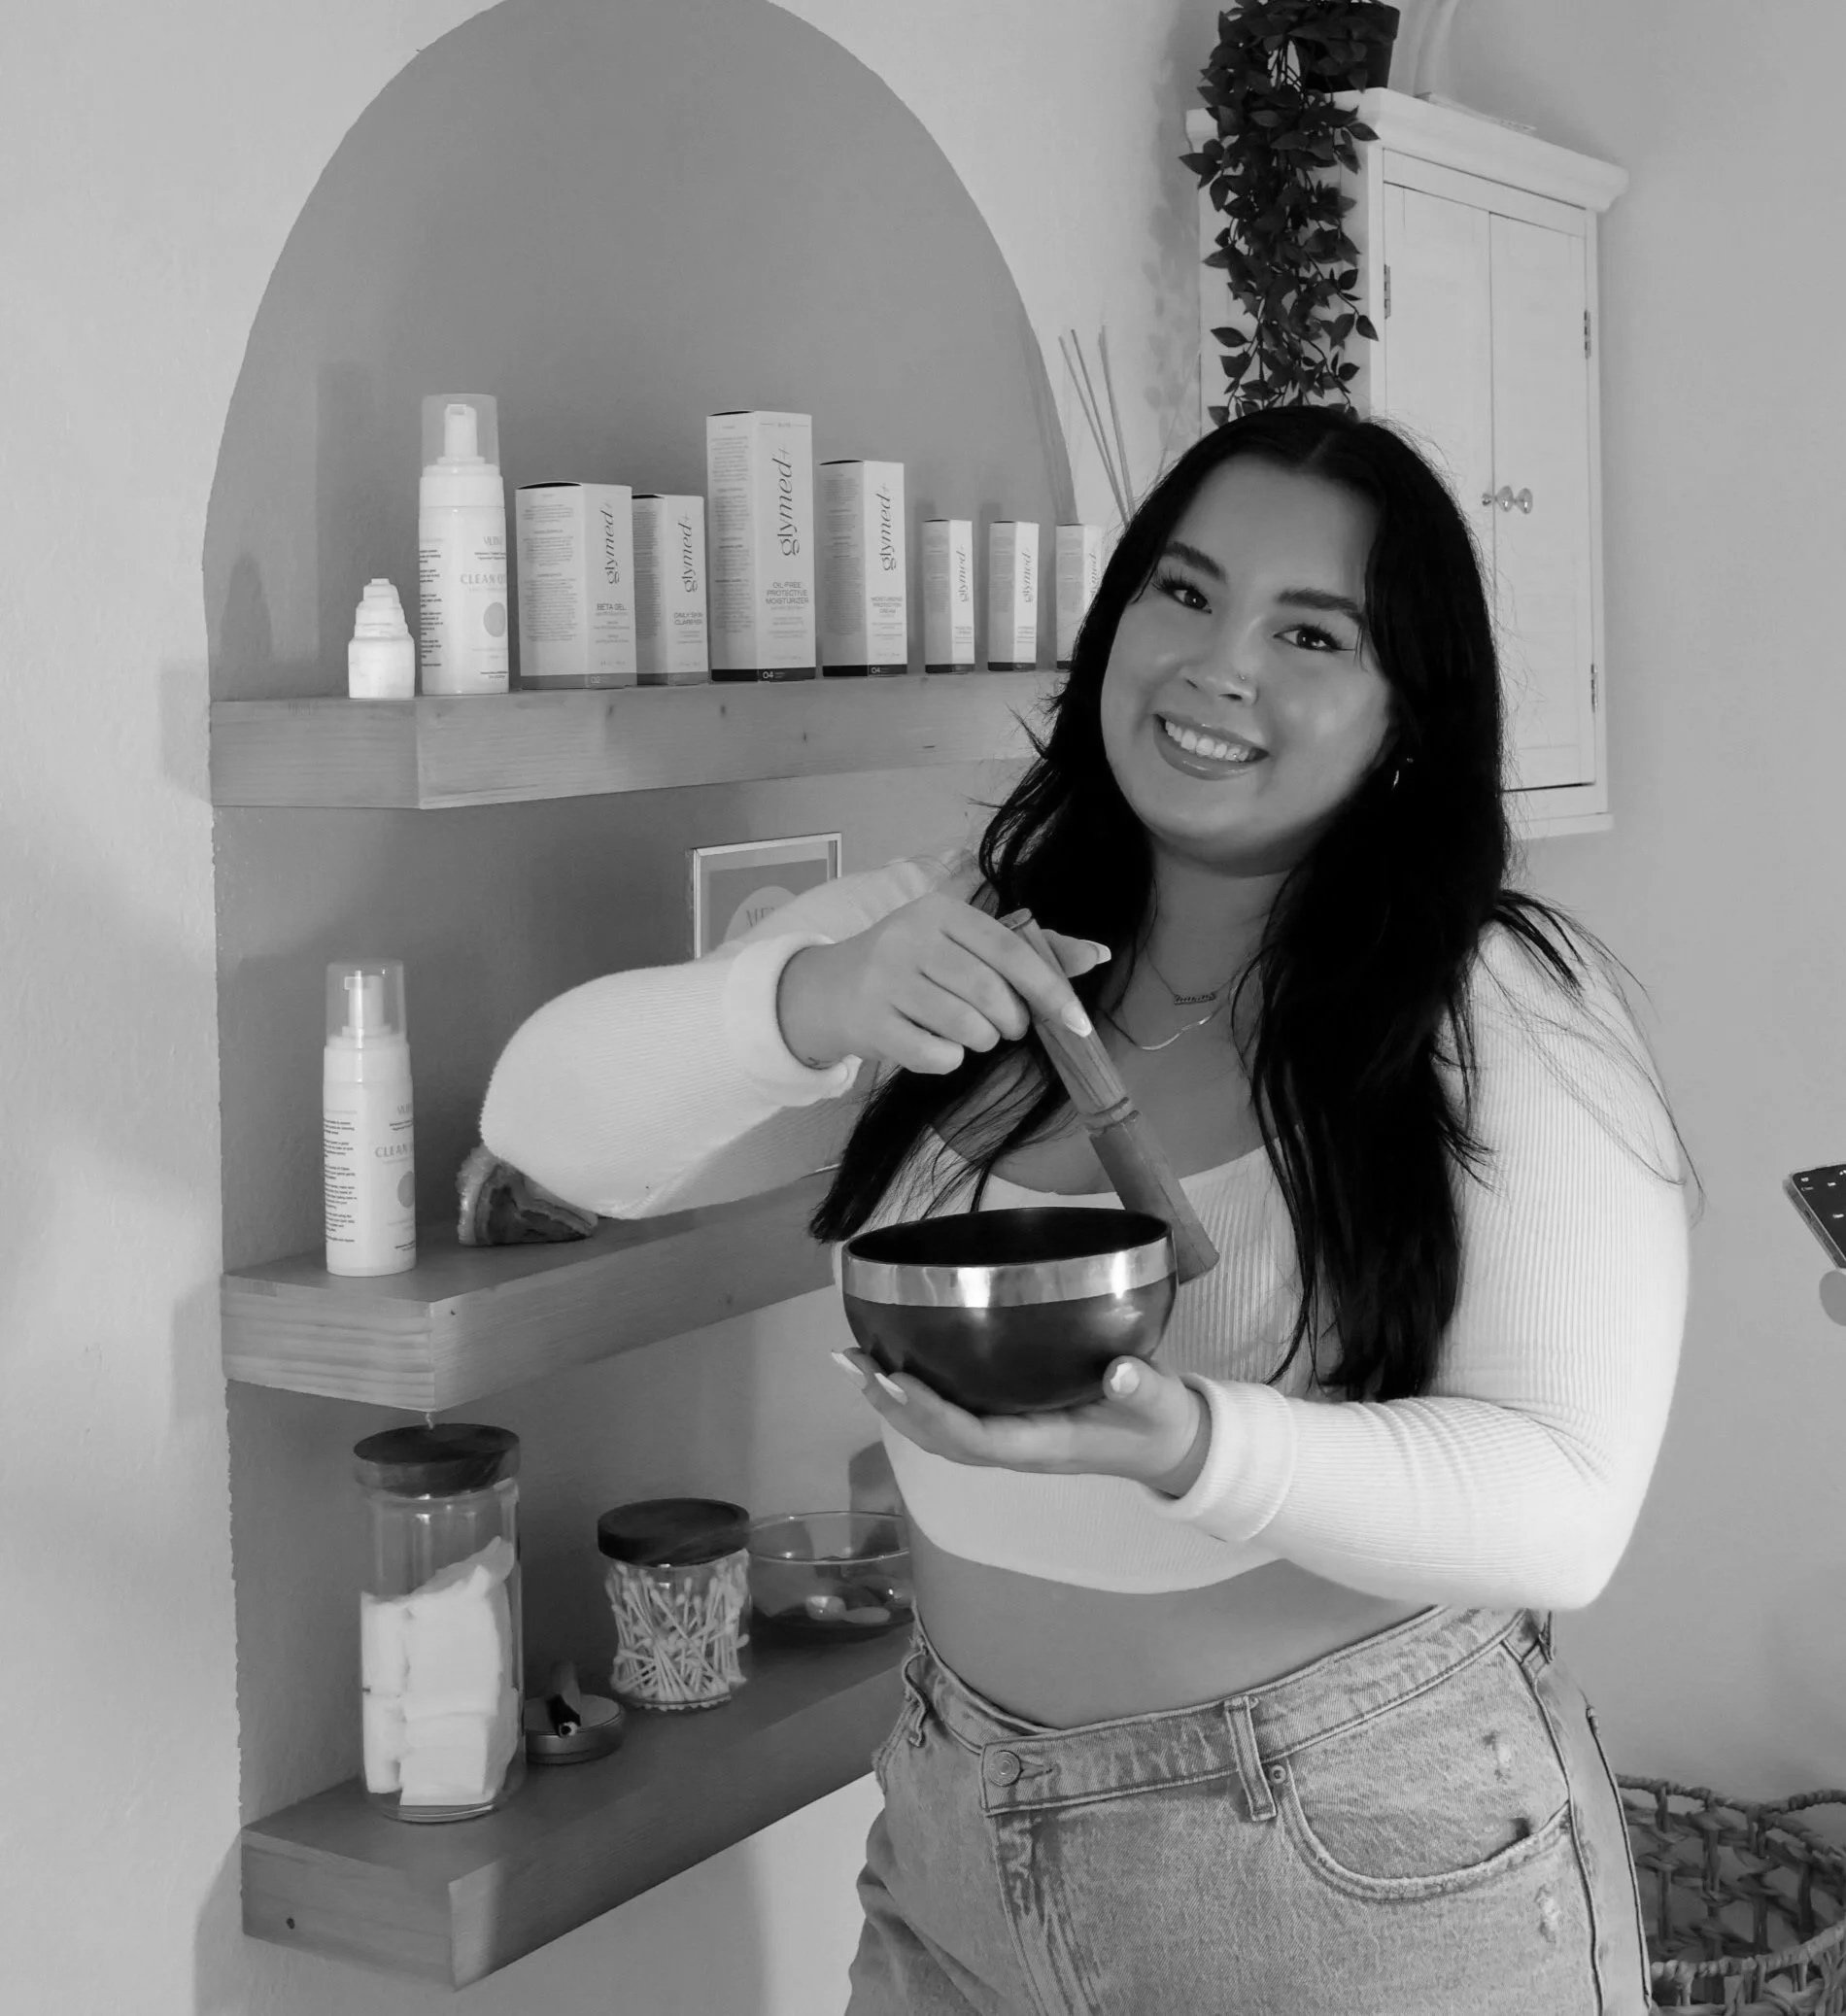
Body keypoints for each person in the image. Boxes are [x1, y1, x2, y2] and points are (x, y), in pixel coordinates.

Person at [480, 405, 1697, 2014]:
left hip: (1347, 1871)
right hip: (954, 1839)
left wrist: (1189, 1444)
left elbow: (1566, 1508)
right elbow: (543, 1124)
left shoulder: (1500, 1006)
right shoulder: (959, 933)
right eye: (1183, 595)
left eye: (1310, 631)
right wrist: (810, 999)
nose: (1219, 665)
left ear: (1405, 716)